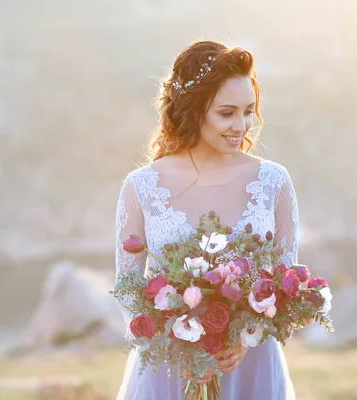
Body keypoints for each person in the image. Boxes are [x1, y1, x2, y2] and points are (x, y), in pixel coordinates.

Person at [115, 40, 299, 399]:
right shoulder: (143, 186)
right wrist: (177, 345)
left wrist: (249, 337)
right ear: (194, 110)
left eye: (249, 111)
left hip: (251, 365)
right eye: (227, 113)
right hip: (170, 365)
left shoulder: (274, 181)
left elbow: (285, 277)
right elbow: (128, 288)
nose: (241, 125)